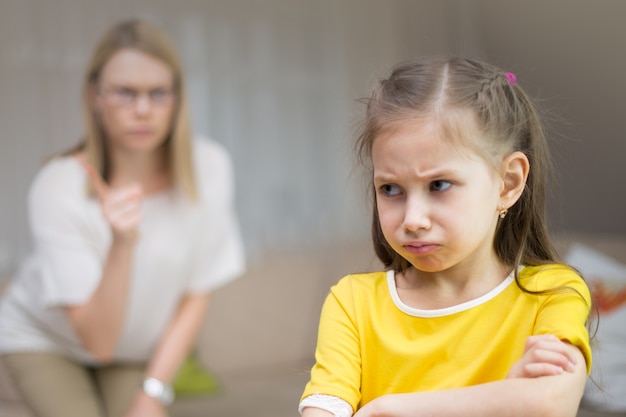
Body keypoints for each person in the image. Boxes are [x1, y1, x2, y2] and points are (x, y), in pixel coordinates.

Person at [299, 57, 592, 417]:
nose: (413, 219)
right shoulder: (352, 303)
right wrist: (506, 397)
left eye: (439, 185)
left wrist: (385, 410)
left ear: (509, 183)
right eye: (390, 189)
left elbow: (551, 401)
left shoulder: (553, 293)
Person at [0, 19, 245, 417]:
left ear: (178, 97)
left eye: (158, 93)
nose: (143, 109)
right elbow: (99, 341)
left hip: (132, 348)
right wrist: (122, 242)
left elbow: (196, 292)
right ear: (95, 95)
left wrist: (153, 391)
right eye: (125, 93)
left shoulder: (210, 166)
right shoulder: (57, 186)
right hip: (45, 340)